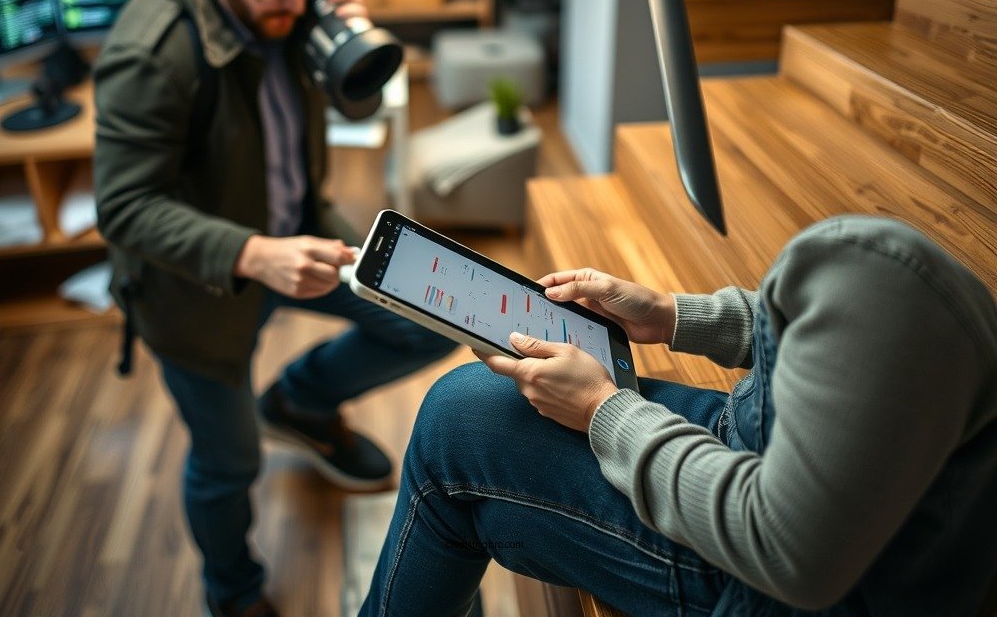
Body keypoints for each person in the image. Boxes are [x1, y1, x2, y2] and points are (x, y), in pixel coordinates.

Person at [93, 0, 455, 617]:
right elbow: (122, 207)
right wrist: (255, 254)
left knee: (427, 323)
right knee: (228, 464)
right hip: (199, 290)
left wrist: (347, 35)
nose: (295, 3)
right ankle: (233, 591)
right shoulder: (149, 53)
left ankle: (300, 403)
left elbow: (351, 103)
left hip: (299, 224)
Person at [358, 215, 997, 617]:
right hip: (767, 456)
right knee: (474, 447)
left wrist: (602, 410)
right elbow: (813, 333)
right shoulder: (887, 286)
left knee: (455, 430)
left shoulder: (876, 287)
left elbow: (788, 551)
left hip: (788, 583)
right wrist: (668, 315)